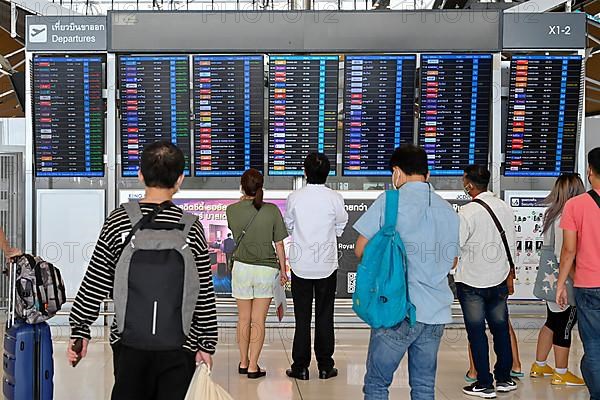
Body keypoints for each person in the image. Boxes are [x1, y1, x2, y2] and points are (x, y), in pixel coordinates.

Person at [67, 141, 218, 400]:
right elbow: (203, 290)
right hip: (180, 344)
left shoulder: (119, 220)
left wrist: (80, 329)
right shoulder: (191, 228)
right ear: (180, 179)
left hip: (129, 343)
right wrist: (206, 343)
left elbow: (96, 279)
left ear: (140, 176)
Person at [353, 144, 460, 400]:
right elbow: (453, 261)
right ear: (427, 174)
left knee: (377, 384)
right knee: (423, 387)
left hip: (396, 310)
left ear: (397, 173)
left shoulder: (389, 202)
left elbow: (360, 249)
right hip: (435, 313)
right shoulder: (448, 210)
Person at [284, 153, 348, 381]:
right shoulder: (334, 197)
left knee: (302, 318)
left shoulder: (295, 197)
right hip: (326, 266)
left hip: (300, 265)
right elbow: (341, 223)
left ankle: (300, 366)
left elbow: (289, 224)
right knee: (324, 315)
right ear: (328, 173)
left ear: (305, 171)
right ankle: (324, 366)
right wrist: (332, 234)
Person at [455, 165, 518, 398]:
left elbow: (456, 246)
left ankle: (484, 382)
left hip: (472, 283)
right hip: (498, 280)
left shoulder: (467, 212)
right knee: (500, 329)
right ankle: (504, 377)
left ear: (470, 184)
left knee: (477, 333)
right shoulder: (503, 207)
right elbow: (511, 243)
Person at [226, 168, 288, 379]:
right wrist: (284, 269)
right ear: (261, 187)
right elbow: (279, 244)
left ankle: (243, 362)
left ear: (242, 187)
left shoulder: (231, 210)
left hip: (241, 268)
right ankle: (254, 366)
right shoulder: (271, 210)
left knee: (243, 319)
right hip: (266, 269)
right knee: (258, 320)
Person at [530, 173, 585, 386]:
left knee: (552, 321)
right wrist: (577, 278)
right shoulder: (567, 216)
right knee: (565, 323)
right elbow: (566, 253)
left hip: (548, 280)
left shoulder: (551, 214)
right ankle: (561, 372)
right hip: (563, 282)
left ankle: (540, 365)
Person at [557, 147, 600, 399]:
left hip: (588, 286)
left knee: (593, 345)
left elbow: (568, 251)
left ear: (590, 171)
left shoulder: (575, 205)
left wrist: (561, 284)